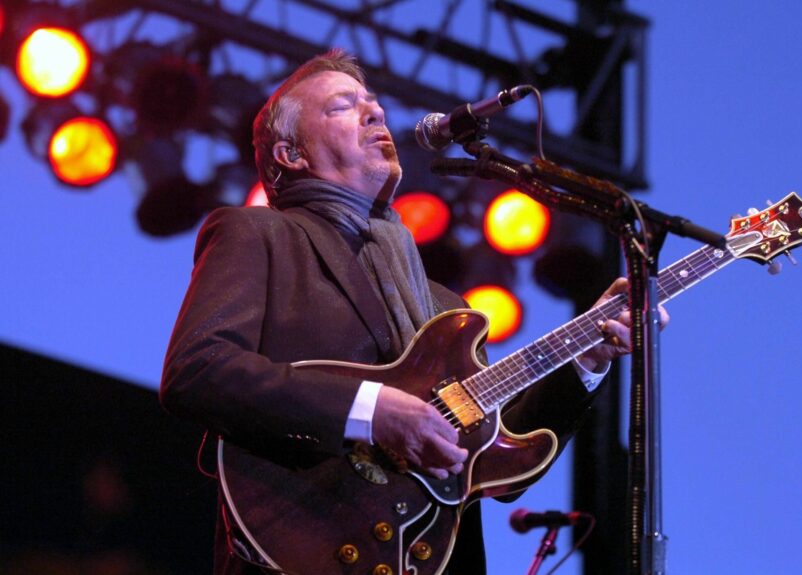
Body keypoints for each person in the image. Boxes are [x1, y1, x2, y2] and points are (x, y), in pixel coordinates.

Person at [160, 49, 667, 575]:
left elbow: (496, 462)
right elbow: (197, 369)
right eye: (342, 106)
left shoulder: (448, 308)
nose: (376, 114)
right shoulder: (259, 234)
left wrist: (588, 356)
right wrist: (370, 410)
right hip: (300, 547)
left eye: (374, 104)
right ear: (291, 154)